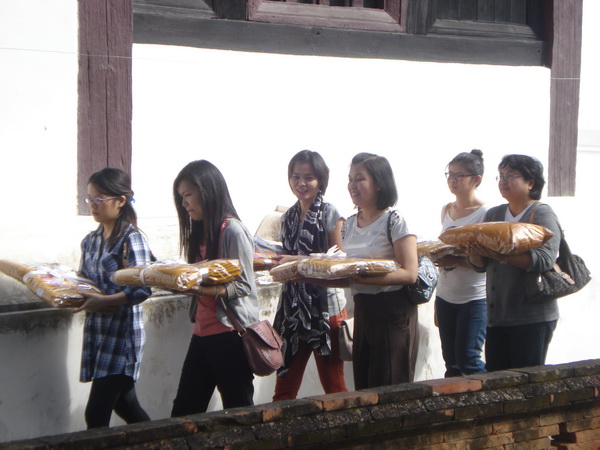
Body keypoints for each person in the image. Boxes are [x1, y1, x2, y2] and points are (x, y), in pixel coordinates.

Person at [170, 160, 259, 417]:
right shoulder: (200, 231)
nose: (184, 203)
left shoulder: (232, 231)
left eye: (188, 195)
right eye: (181, 197)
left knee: (239, 413)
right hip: (202, 334)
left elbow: (243, 284)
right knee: (184, 414)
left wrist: (203, 289)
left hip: (230, 334)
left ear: (206, 190)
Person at [464, 154, 561, 372]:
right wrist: (475, 253)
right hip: (498, 316)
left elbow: (544, 259)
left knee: (525, 379)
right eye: (501, 176)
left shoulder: (541, 213)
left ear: (530, 182)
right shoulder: (494, 214)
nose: (503, 181)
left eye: (511, 175)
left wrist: (501, 254)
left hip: (532, 316)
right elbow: (481, 265)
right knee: (497, 380)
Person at [76, 167, 153, 429]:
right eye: (89, 198)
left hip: (122, 336)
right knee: (127, 406)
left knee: (96, 414)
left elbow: (142, 288)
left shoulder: (132, 239)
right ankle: (162, 442)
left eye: (99, 199)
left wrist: (105, 301)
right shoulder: (90, 241)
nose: (92, 205)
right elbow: (84, 280)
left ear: (120, 201)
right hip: (98, 331)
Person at [272, 150, 348, 401]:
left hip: (326, 309)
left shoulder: (329, 212)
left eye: (309, 177)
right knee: (284, 388)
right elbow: (285, 258)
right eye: (296, 177)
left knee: (334, 386)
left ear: (321, 180)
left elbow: (338, 261)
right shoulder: (287, 217)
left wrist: (296, 261)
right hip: (292, 309)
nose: (301, 183)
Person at [341, 152, 419, 389]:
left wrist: (363, 278)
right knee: (364, 387)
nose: (352, 185)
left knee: (389, 388)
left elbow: (410, 273)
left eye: (360, 179)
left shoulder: (394, 220)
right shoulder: (349, 224)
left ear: (378, 183)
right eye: (350, 179)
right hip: (363, 310)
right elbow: (347, 273)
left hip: (392, 311)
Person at [435, 150, 488, 377]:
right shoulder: (447, 210)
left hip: (474, 296)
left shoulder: (486, 214)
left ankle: (489, 394)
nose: (453, 180)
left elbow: (487, 260)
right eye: (450, 174)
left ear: (476, 179)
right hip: (445, 294)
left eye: (459, 175)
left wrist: (455, 260)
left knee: (469, 359)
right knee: (452, 363)